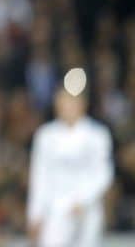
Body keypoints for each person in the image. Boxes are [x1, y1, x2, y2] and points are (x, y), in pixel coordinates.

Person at [27, 87, 114, 247]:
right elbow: (39, 176)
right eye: (63, 102)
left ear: (82, 104)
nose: (67, 107)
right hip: (55, 209)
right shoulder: (46, 135)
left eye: (71, 102)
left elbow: (104, 173)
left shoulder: (97, 135)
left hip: (87, 209)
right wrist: (35, 214)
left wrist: (84, 200)